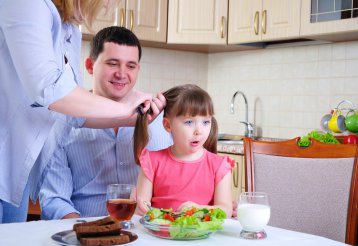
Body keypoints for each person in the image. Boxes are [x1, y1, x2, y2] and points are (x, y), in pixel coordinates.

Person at [0, 0, 164, 223]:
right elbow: (48, 87)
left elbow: (69, 113)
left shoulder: (70, 29)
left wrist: (132, 118)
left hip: (13, 171)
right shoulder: (27, 4)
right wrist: (123, 107)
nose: (107, 6)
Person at [38, 26, 173, 220]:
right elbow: (55, 200)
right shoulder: (64, 120)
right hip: (82, 232)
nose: (121, 73)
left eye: (130, 66)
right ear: (90, 66)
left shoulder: (159, 121)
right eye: (112, 63)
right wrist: (86, 234)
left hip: (144, 234)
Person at [134, 84, 234, 218]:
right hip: (159, 236)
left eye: (205, 122)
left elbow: (226, 210)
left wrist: (199, 210)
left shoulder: (220, 165)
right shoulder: (151, 161)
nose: (199, 131)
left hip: (203, 237)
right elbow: (142, 207)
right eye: (189, 122)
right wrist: (139, 205)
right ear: (168, 125)